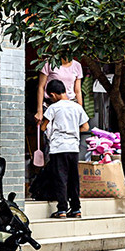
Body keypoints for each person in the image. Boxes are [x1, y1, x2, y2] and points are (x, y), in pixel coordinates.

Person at [40, 79, 89, 219]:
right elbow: (85, 127)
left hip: (58, 147)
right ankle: (76, 209)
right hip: (73, 147)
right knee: (74, 178)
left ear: (53, 94)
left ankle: (62, 209)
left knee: (60, 178)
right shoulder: (77, 107)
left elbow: (44, 126)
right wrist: (73, 129)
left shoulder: (53, 108)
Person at [35, 57, 83, 123]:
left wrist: (80, 110)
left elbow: (78, 91)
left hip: (70, 105)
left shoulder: (77, 65)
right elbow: (41, 87)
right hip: (51, 103)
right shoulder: (48, 63)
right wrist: (39, 111)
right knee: (49, 130)